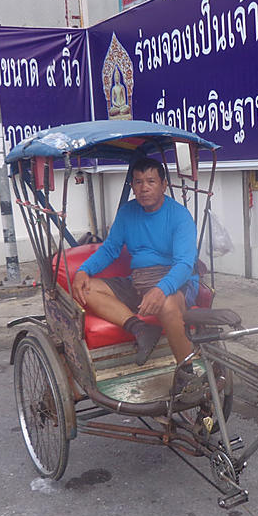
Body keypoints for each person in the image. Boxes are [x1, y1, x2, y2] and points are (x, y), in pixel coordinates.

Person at [71, 156, 201, 395]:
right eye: (138, 182)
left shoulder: (179, 216)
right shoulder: (127, 212)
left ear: (163, 185)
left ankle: (186, 373)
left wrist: (161, 290)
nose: (144, 188)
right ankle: (140, 329)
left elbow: (184, 263)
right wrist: (83, 270)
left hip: (175, 279)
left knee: (169, 306)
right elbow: (110, 249)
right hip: (139, 280)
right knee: (86, 290)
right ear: (132, 186)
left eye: (151, 181)